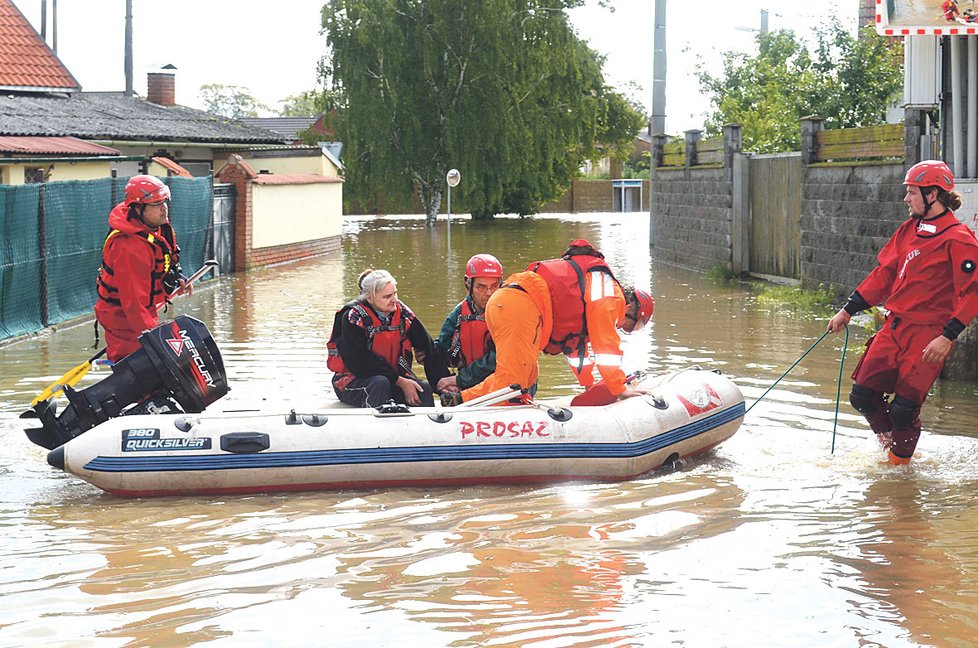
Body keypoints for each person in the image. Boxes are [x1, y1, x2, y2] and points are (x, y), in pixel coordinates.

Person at [827, 160, 978, 465]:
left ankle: (900, 469)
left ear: (932, 194)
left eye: (911, 192)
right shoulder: (909, 229)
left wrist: (948, 337)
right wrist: (849, 309)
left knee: (903, 410)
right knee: (862, 397)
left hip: (928, 335)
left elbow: (973, 292)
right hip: (894, 326)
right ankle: (890, 452)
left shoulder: (959, 239)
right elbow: (884, 274)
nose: (906, 199)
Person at [452, 239, 655, 405]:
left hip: (510, 303)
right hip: (519, 306)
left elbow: (577, 352)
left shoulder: (595, 288)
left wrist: (589, 385)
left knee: (528, 377)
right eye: (632, 327)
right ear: (630, 308)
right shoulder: (611, 297)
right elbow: (606, 344)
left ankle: (471, 402)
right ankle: (460, 400)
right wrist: (618, 388)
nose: (625, 329)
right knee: (512, 382)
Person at [95, 175, 189, 363]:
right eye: (156, 204)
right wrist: (153, 337)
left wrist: (178, 276)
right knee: (138, 374)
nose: (164, 208)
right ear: (138, 208)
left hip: (144, 312)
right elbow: (133, 304)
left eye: (164, 201)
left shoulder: (153, 228)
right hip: (123, 320)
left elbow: (165, 258)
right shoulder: (129, 246)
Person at [327, 268, 445, 408]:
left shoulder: (401, 312)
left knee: (423, 389)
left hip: (390, 378)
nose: (394, 300)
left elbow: (427, 346)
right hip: (352, 380)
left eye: (395, 293)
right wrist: (399, 381)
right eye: (387, 296)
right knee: (379, 384)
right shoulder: (353, 317)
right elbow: (359, 363)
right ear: (370, 297)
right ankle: (376, 427)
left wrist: (441, 384)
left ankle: (427, 428)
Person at [434, 254, 504, 395]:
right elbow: (442, 347)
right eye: (481, 287)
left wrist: (460, 380)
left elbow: (498, 358)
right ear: (468, 284)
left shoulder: (507, 314)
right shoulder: (459, 314)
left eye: (494, 286)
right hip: (471, 382)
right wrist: (427, 353)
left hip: (502, 384)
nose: (489, 293)